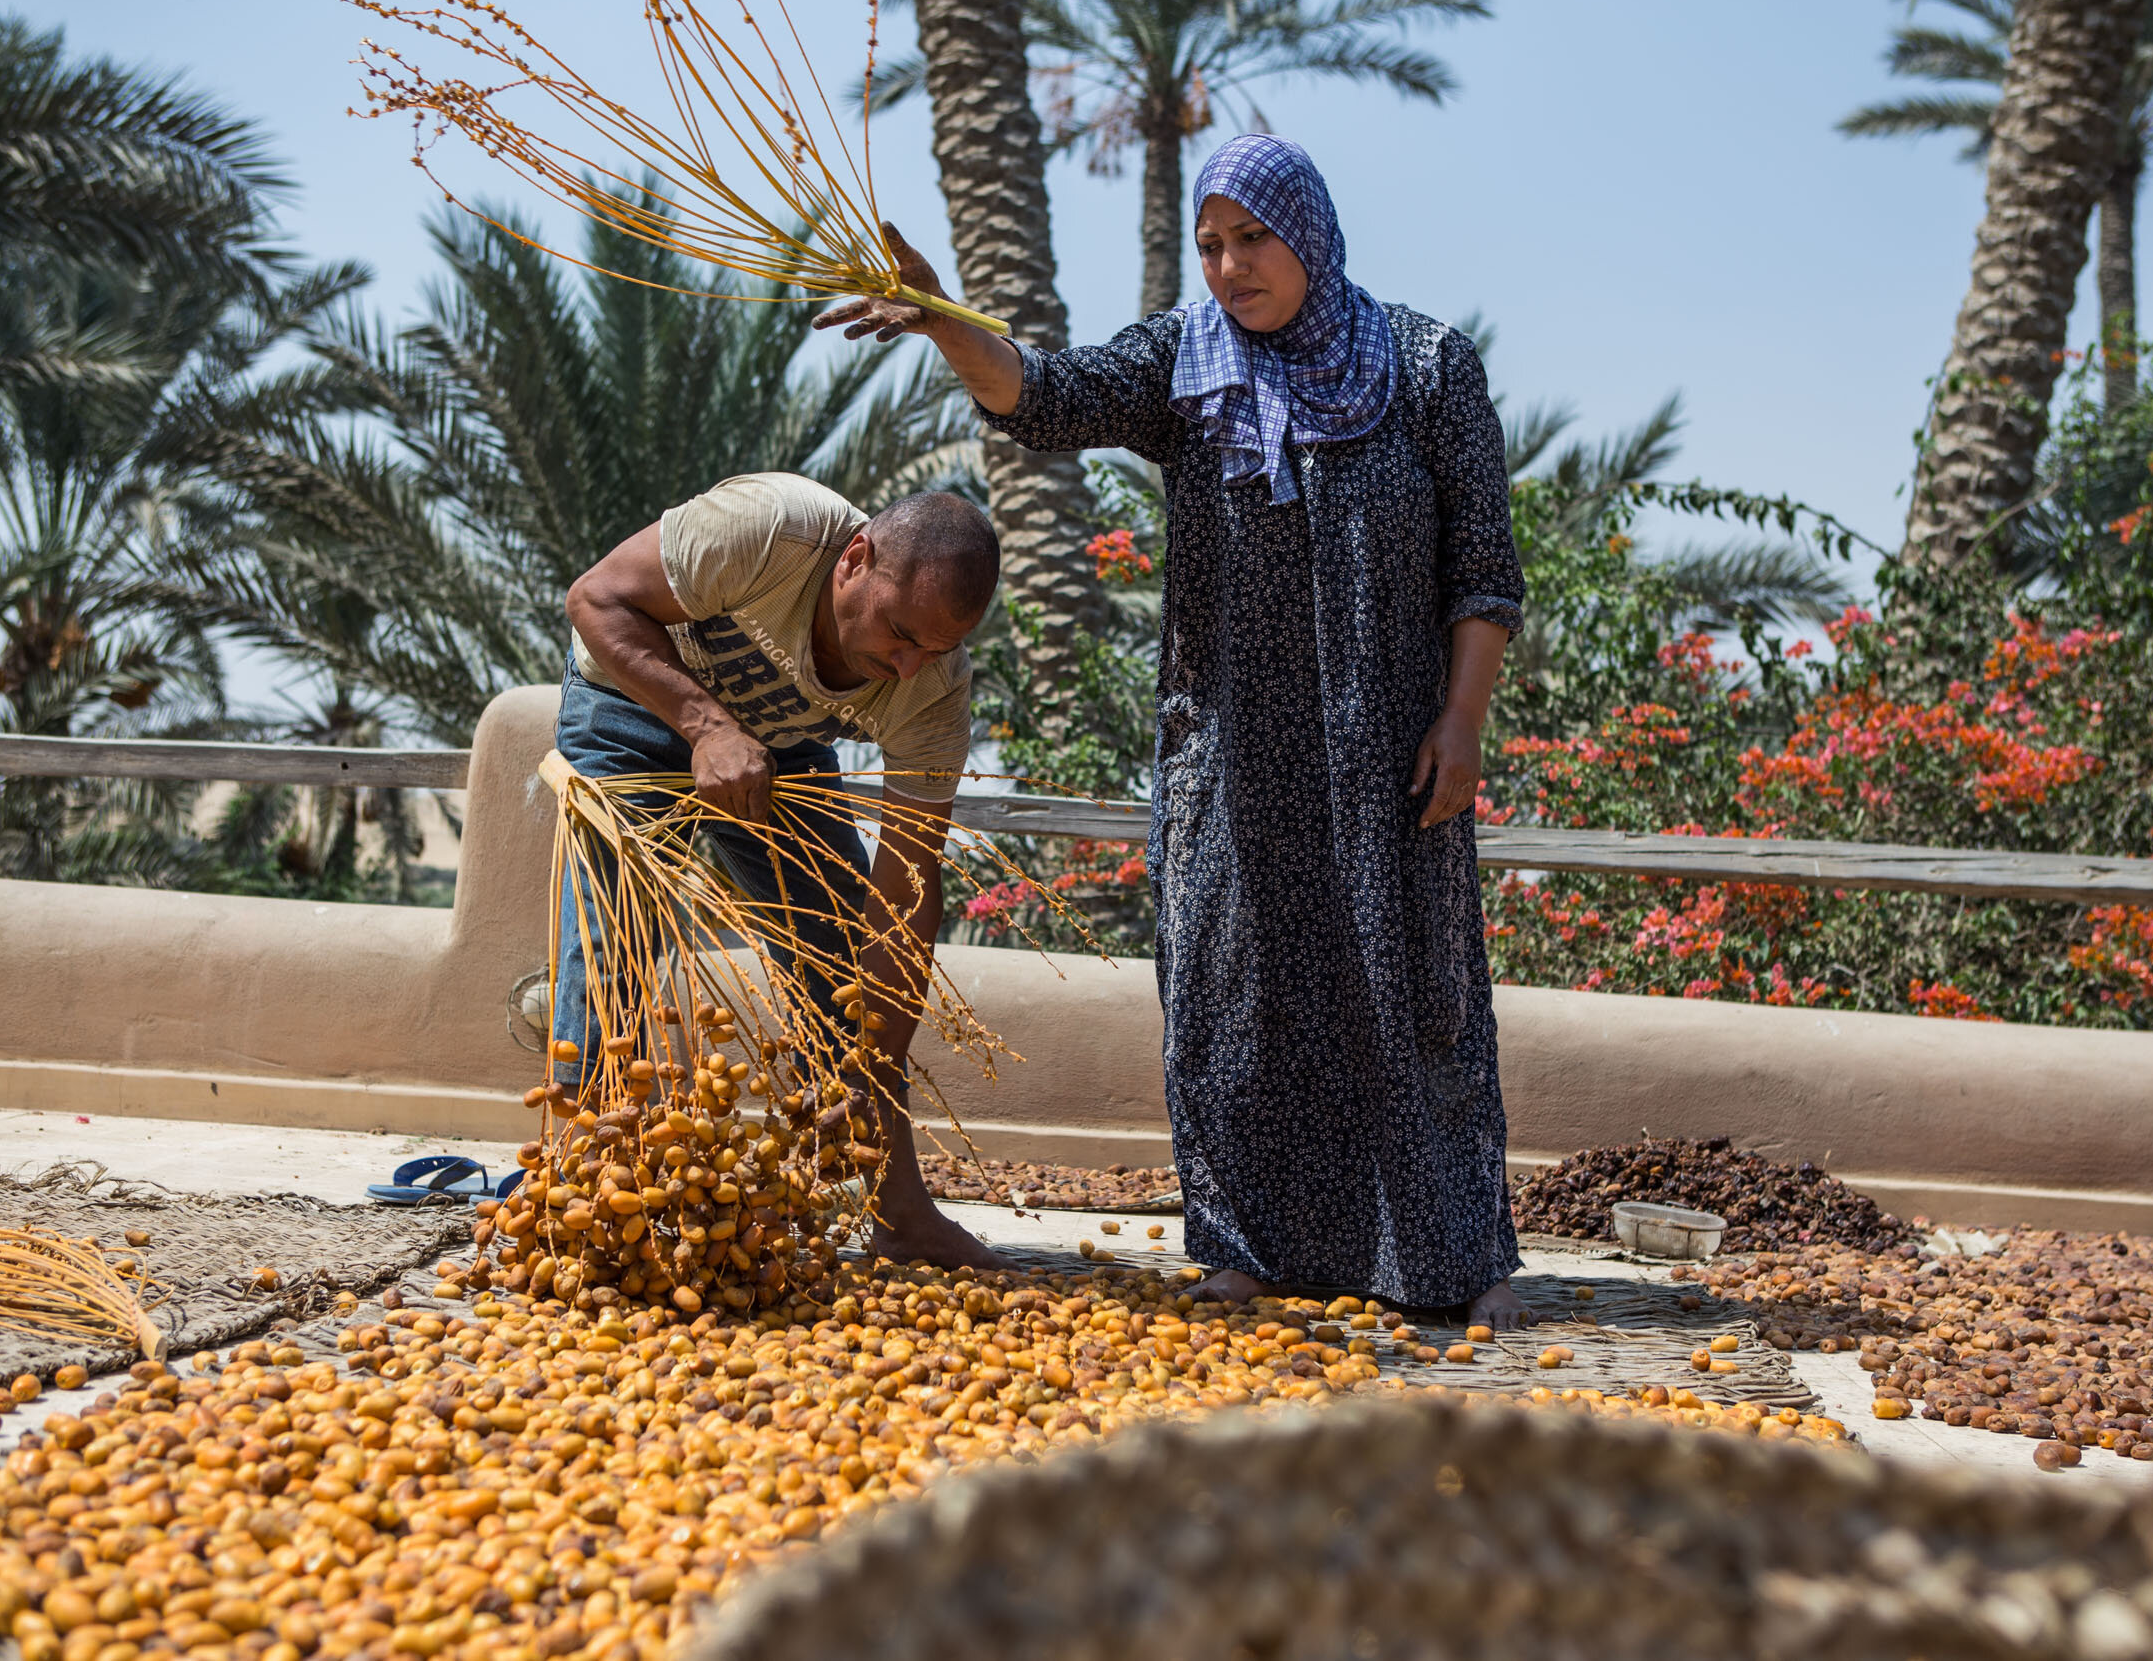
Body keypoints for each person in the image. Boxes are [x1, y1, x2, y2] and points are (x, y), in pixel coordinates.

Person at [817, 135, 1532, 1328]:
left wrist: (1461, 717)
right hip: (1232, 749)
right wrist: (942, 315)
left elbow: (1483, 567)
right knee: (1229, 989)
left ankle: (1453, 1257)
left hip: (1383, 751)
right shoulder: (1183, 366)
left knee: (1412, 988)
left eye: (1251, 238)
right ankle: (1243, 1246)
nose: (1227, 266)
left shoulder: (1425, 367)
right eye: (1209, 245)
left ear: (1306, 232)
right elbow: (1042, 396)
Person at [558, 472, 1007, 1272]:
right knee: (611, 949)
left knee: (839, 964)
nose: (906, 668)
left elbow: (906, 887)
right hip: (633, 705)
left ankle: (897, 1212)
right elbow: (595, 599)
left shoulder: (932, 686)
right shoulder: (769, 530)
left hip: (781, 751)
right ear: (856, 560)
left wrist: (870, 1067)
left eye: (932, 650)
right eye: (899, 632)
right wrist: (705, 726)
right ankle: (584, 1200)